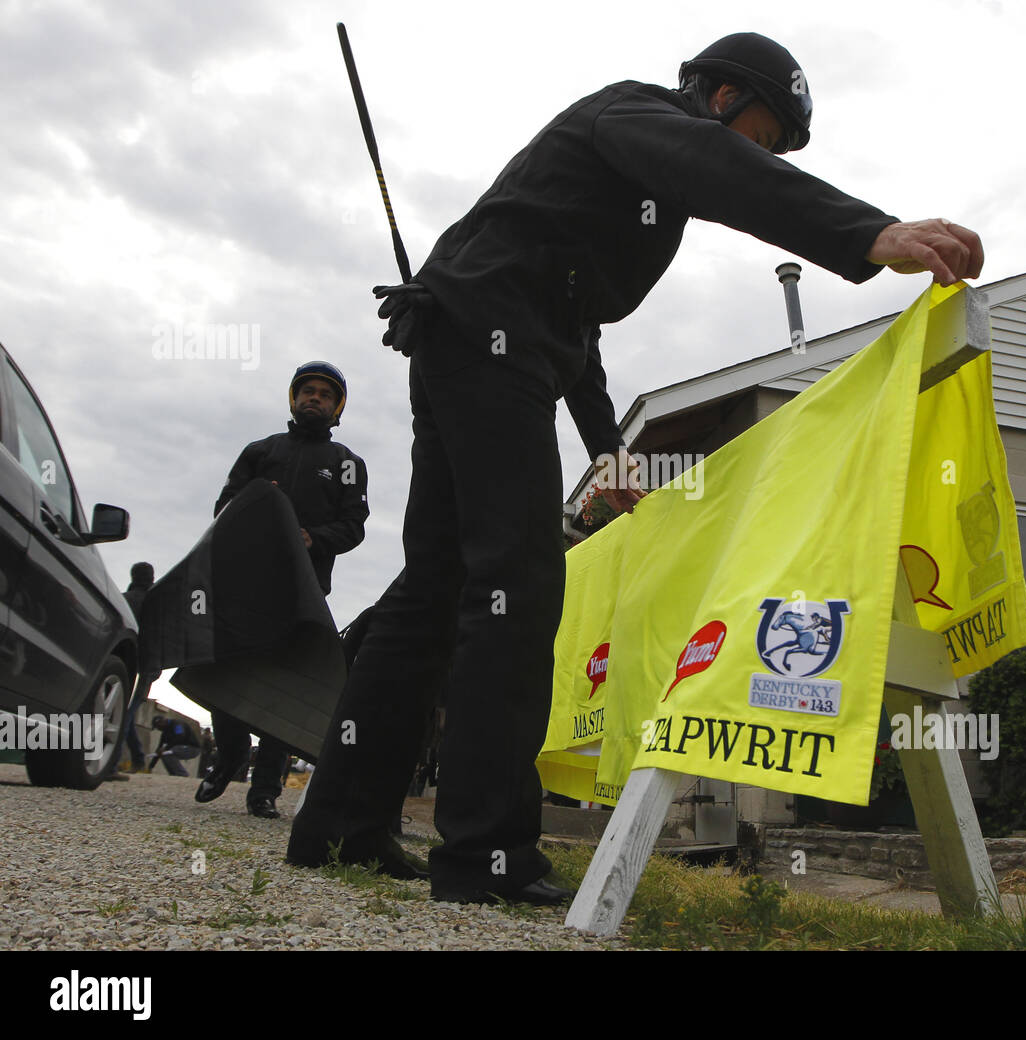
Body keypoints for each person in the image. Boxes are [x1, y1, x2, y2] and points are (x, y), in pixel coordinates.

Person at [288, 32, 983, 903]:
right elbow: (711, 167)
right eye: (761, 137)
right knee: (517, 586)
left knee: (433, 587)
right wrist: (867, 231)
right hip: (482, 349)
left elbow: (577, 331)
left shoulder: (634, 193)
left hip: (482, 346)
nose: (756, 156)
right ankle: (483, 856)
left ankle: (341, 828)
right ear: (721, 96)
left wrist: (608, 449)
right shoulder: (638, 113)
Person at [195, 361, 369, 819]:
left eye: (325, 395)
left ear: (337, 409)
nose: (315, 398)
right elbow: (225, 505)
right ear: (293, 400)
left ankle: (265, 789)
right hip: (246, 583)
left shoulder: (348, 464)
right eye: (307, 391)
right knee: (227, 665)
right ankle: (229, 753)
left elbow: (354, 527)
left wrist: (313, 538)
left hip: (304, 591)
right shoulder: (259, 451)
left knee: (283, 680)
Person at [119, 561, 158, 773]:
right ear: (151, 578)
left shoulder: (123, 600)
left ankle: (112, 762)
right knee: (126, 711)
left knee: (123, 710)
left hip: (124, 662)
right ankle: (137, 758)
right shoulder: (157, 603)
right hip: (146, 667)